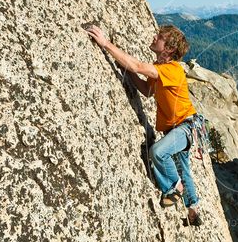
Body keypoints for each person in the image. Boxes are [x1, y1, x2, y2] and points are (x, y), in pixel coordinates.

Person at [85, 23, 202, 226]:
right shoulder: (159, 70)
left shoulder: (172, 70)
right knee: (183, 168)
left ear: (169, 49)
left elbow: (139, 66)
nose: (154, 37)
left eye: (160, 37)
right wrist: (126, 70)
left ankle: (174, 188)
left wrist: (106, 44)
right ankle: (193, 209)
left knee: (158, 152)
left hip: (185, 126)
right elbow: (146, 91)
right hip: (180, 128)